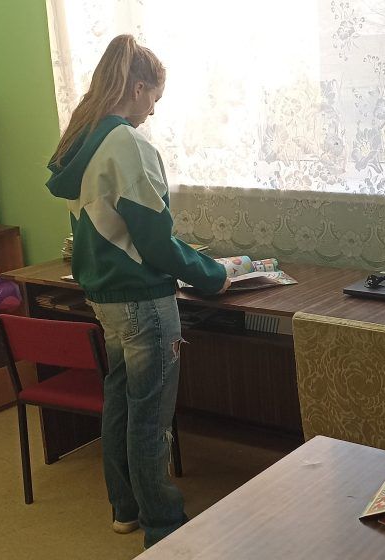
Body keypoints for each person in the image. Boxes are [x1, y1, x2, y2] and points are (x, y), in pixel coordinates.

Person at [46, 34, 230, 548]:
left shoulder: (83, 142)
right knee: (150, 418)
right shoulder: (127, 144)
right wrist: (213, 274)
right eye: (154, 98)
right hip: (143, 302)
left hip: (106, 298)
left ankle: (126, 508)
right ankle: (163, 525)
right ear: (137, 87)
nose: (153, 110)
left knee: (122, 405)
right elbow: (155, 241)